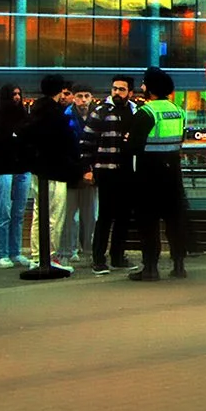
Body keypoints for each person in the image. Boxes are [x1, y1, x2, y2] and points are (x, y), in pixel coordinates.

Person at [126, 66, 189, 281]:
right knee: (175, 220)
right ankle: (179, 265)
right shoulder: (178, 110)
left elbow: (133, 145)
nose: (142, 87)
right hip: (173, 173)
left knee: (148, 221)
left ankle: (150, 268)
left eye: (144, 83)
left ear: (150, 88)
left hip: (148, 175)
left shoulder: (147, 112)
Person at [22, 74, 80, 273]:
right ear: (58, 91)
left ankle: (37, 255)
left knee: (39, 214)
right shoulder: (57, 116)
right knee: (55, 215)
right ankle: (50, 256)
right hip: (55, 170)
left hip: (38, 170)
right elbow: (67, 143)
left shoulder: (36, 111)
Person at [82, 76, 138, 275]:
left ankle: (117, 256)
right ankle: (98, 259)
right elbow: (87, 141)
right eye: (115, 89)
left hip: (127, 171)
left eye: (122, 90)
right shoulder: (101, 112)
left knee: (124, 216)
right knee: (105, 216)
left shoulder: (135, 111)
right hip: (106, 170)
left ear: (130, 92)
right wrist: (87, 169)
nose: (117, 93)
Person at [0, 84, 32, 268]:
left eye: (19, 93)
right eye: (13, 94)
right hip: (1, 167)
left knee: (18, 212)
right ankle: (0, 253)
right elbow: (0, 137)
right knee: (3, 212)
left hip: (21, 166)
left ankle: (15, 251)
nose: (17, 97)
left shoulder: (23, 114)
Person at [62, 85, 97, 262]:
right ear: (74, 98)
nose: (83, 100)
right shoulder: (66, 116)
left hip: (91, 170)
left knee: (90, 214)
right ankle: (71, 249)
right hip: (72, 171)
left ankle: (89, 248)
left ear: (91, 97)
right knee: (71, 215)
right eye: (80, 96)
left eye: (86, 96)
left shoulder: (97, 116)